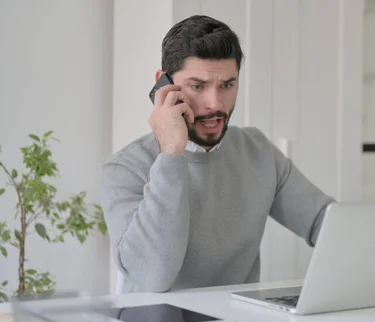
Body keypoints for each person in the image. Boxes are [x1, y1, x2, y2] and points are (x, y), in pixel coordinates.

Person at [99, 15, 335, 294]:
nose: (215, 104)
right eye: (198, 86)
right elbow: (152, 278)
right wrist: (171, 153)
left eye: (227, 85)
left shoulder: (258, 151)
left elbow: (326, 225)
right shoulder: (124, 168)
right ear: (163, 85)